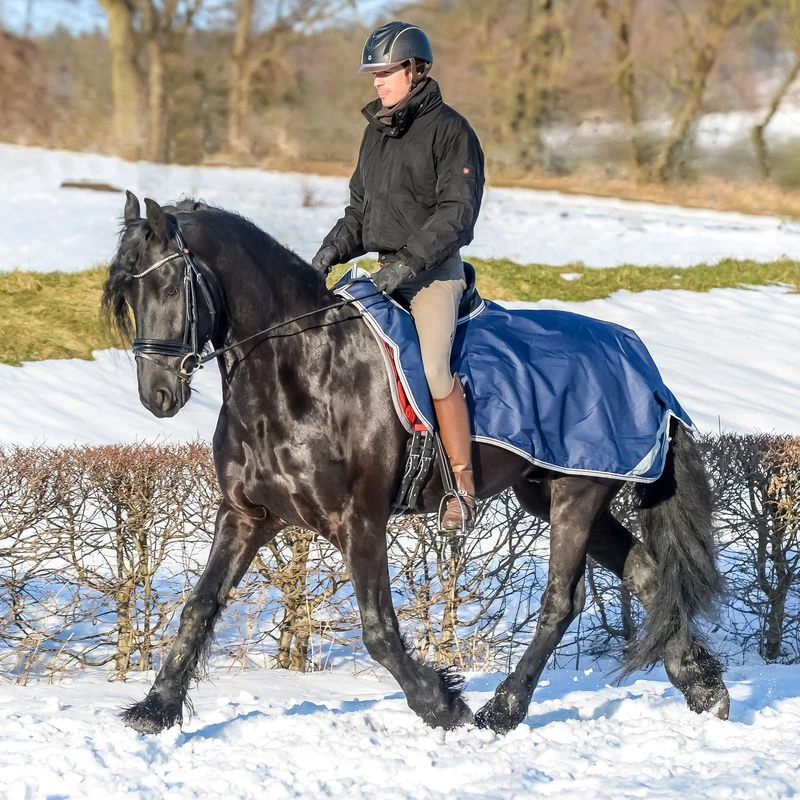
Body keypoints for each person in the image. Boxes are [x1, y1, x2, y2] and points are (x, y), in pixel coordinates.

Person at [311, 21, 485, 531]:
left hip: (434, 274)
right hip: (386, 270)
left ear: (415, 69)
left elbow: (457, 214)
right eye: (374, 73)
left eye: (386, 72)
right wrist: (327, 253)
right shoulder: (374, 134)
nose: (377, 81)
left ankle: (461, 489)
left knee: (433, 369)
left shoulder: (452, 131)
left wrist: (408, 264)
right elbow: (359, 213)